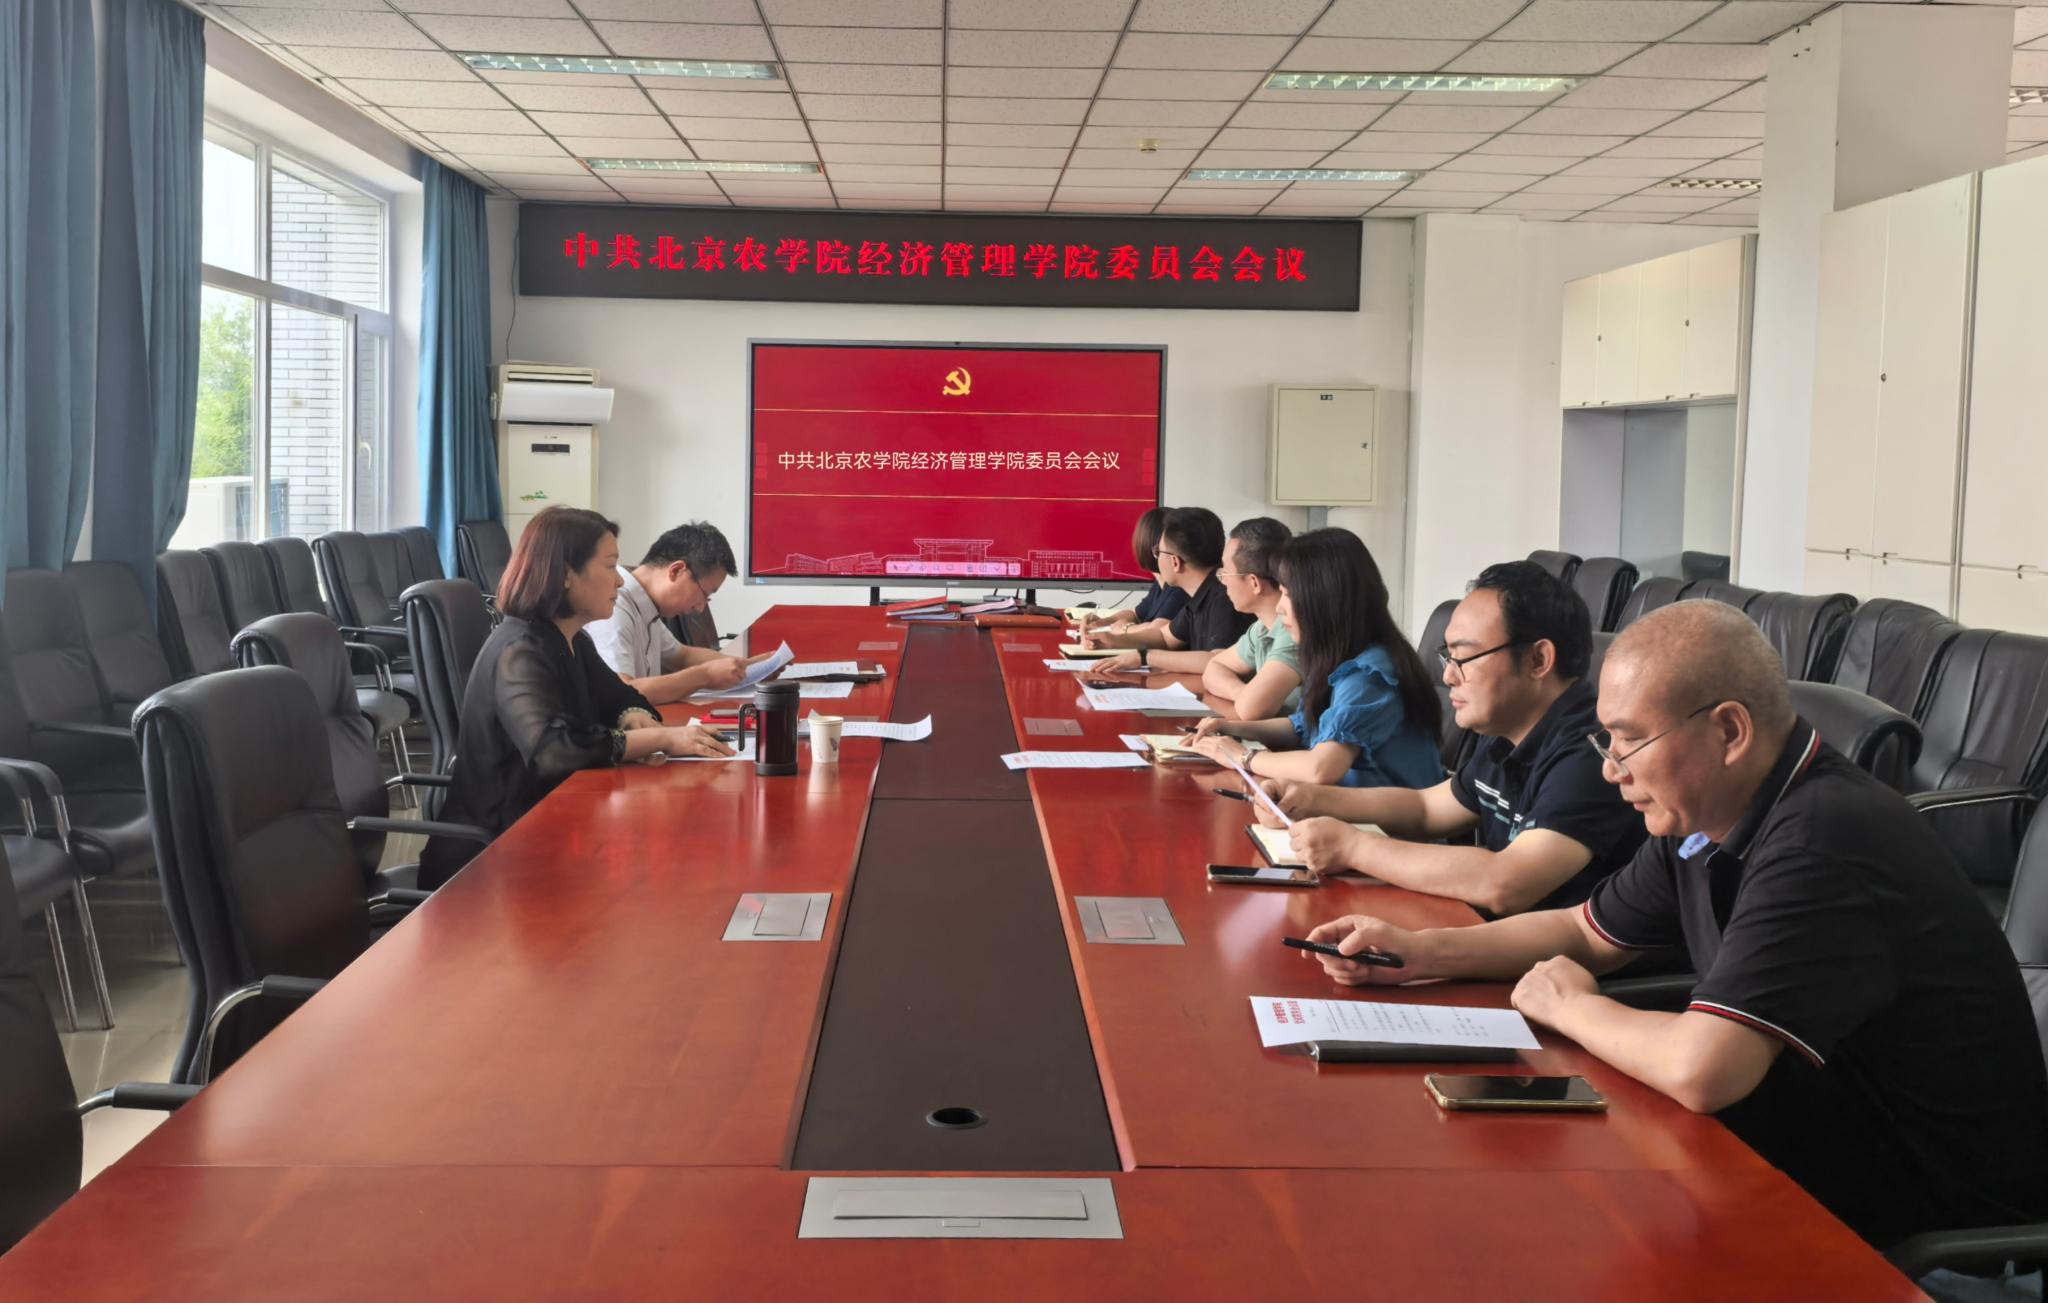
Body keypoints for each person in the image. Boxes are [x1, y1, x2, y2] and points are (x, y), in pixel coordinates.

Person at [1300, 600, 2048, 1252]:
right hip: (1790, 1158)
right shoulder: (1703, 815)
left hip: (1917, 1231)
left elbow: (1703, 1067)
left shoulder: (1825, 836)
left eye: (1628, 740)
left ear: (1729, 730)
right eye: (1605, 741)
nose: (1611, 768)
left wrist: (1572, 1005)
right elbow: (1588, 932)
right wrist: (1422, 951)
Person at [1248, 560, 1645, 915]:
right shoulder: (1509, 729)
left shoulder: (1592, 754)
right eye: (1447, 657)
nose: (1448, 675)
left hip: (1548, 965)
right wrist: (1309, 799)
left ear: (1538, 659)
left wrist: (1352, 847)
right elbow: (1426, 808)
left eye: (1464, 657)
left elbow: (1506, 883)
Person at [419, 508, 732, 888]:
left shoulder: (570, 639)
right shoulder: (520, 651)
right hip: (491, 861)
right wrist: (660, 738)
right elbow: (554, 751)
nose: (620, 579)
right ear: (566, 573)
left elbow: (622, 696)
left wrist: (634, 717)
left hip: (553, 832)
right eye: (609, 565)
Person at [1188, 529, 1438, 789]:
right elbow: (1301, 726)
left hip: (1382, 815)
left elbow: (1320, 768)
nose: (1279, 607)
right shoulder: (1337, 656)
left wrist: (1242, 757)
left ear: (1323, 600)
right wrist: (1231, 728)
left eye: (1288, 594)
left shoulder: (1367, 674)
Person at [586, 521, 766, 705]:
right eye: (705, 595)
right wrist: (704, 676)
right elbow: (621, 691)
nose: (700, 608)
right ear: (677, 571)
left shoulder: (646, 606)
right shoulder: (614, 609)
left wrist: (746, 667)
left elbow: (682, 656)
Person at [1081, 506, 1252, 666]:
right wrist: (1109, 640)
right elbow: (1164, 637)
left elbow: (1218, 660)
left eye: (1158, 552)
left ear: (1175, 562)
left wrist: (1145, 657)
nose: (1156, 558)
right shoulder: (1199, 595)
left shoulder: (1225, 597)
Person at [1198, 517, 1301, 720]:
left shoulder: (1294, 631)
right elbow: (1213, 668)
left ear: (1254, 582)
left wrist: (1249, 699)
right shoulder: (1262, 628)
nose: (1222, 581)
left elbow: (1252, 710)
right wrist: (1243, 694)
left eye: (1225, 573)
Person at [1072, 507, 1187, 640]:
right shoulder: (1161, 583)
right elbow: (1136, 614)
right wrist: (1102, 622)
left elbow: (1158, 630)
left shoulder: (1179, 588)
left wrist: (1125, 628)